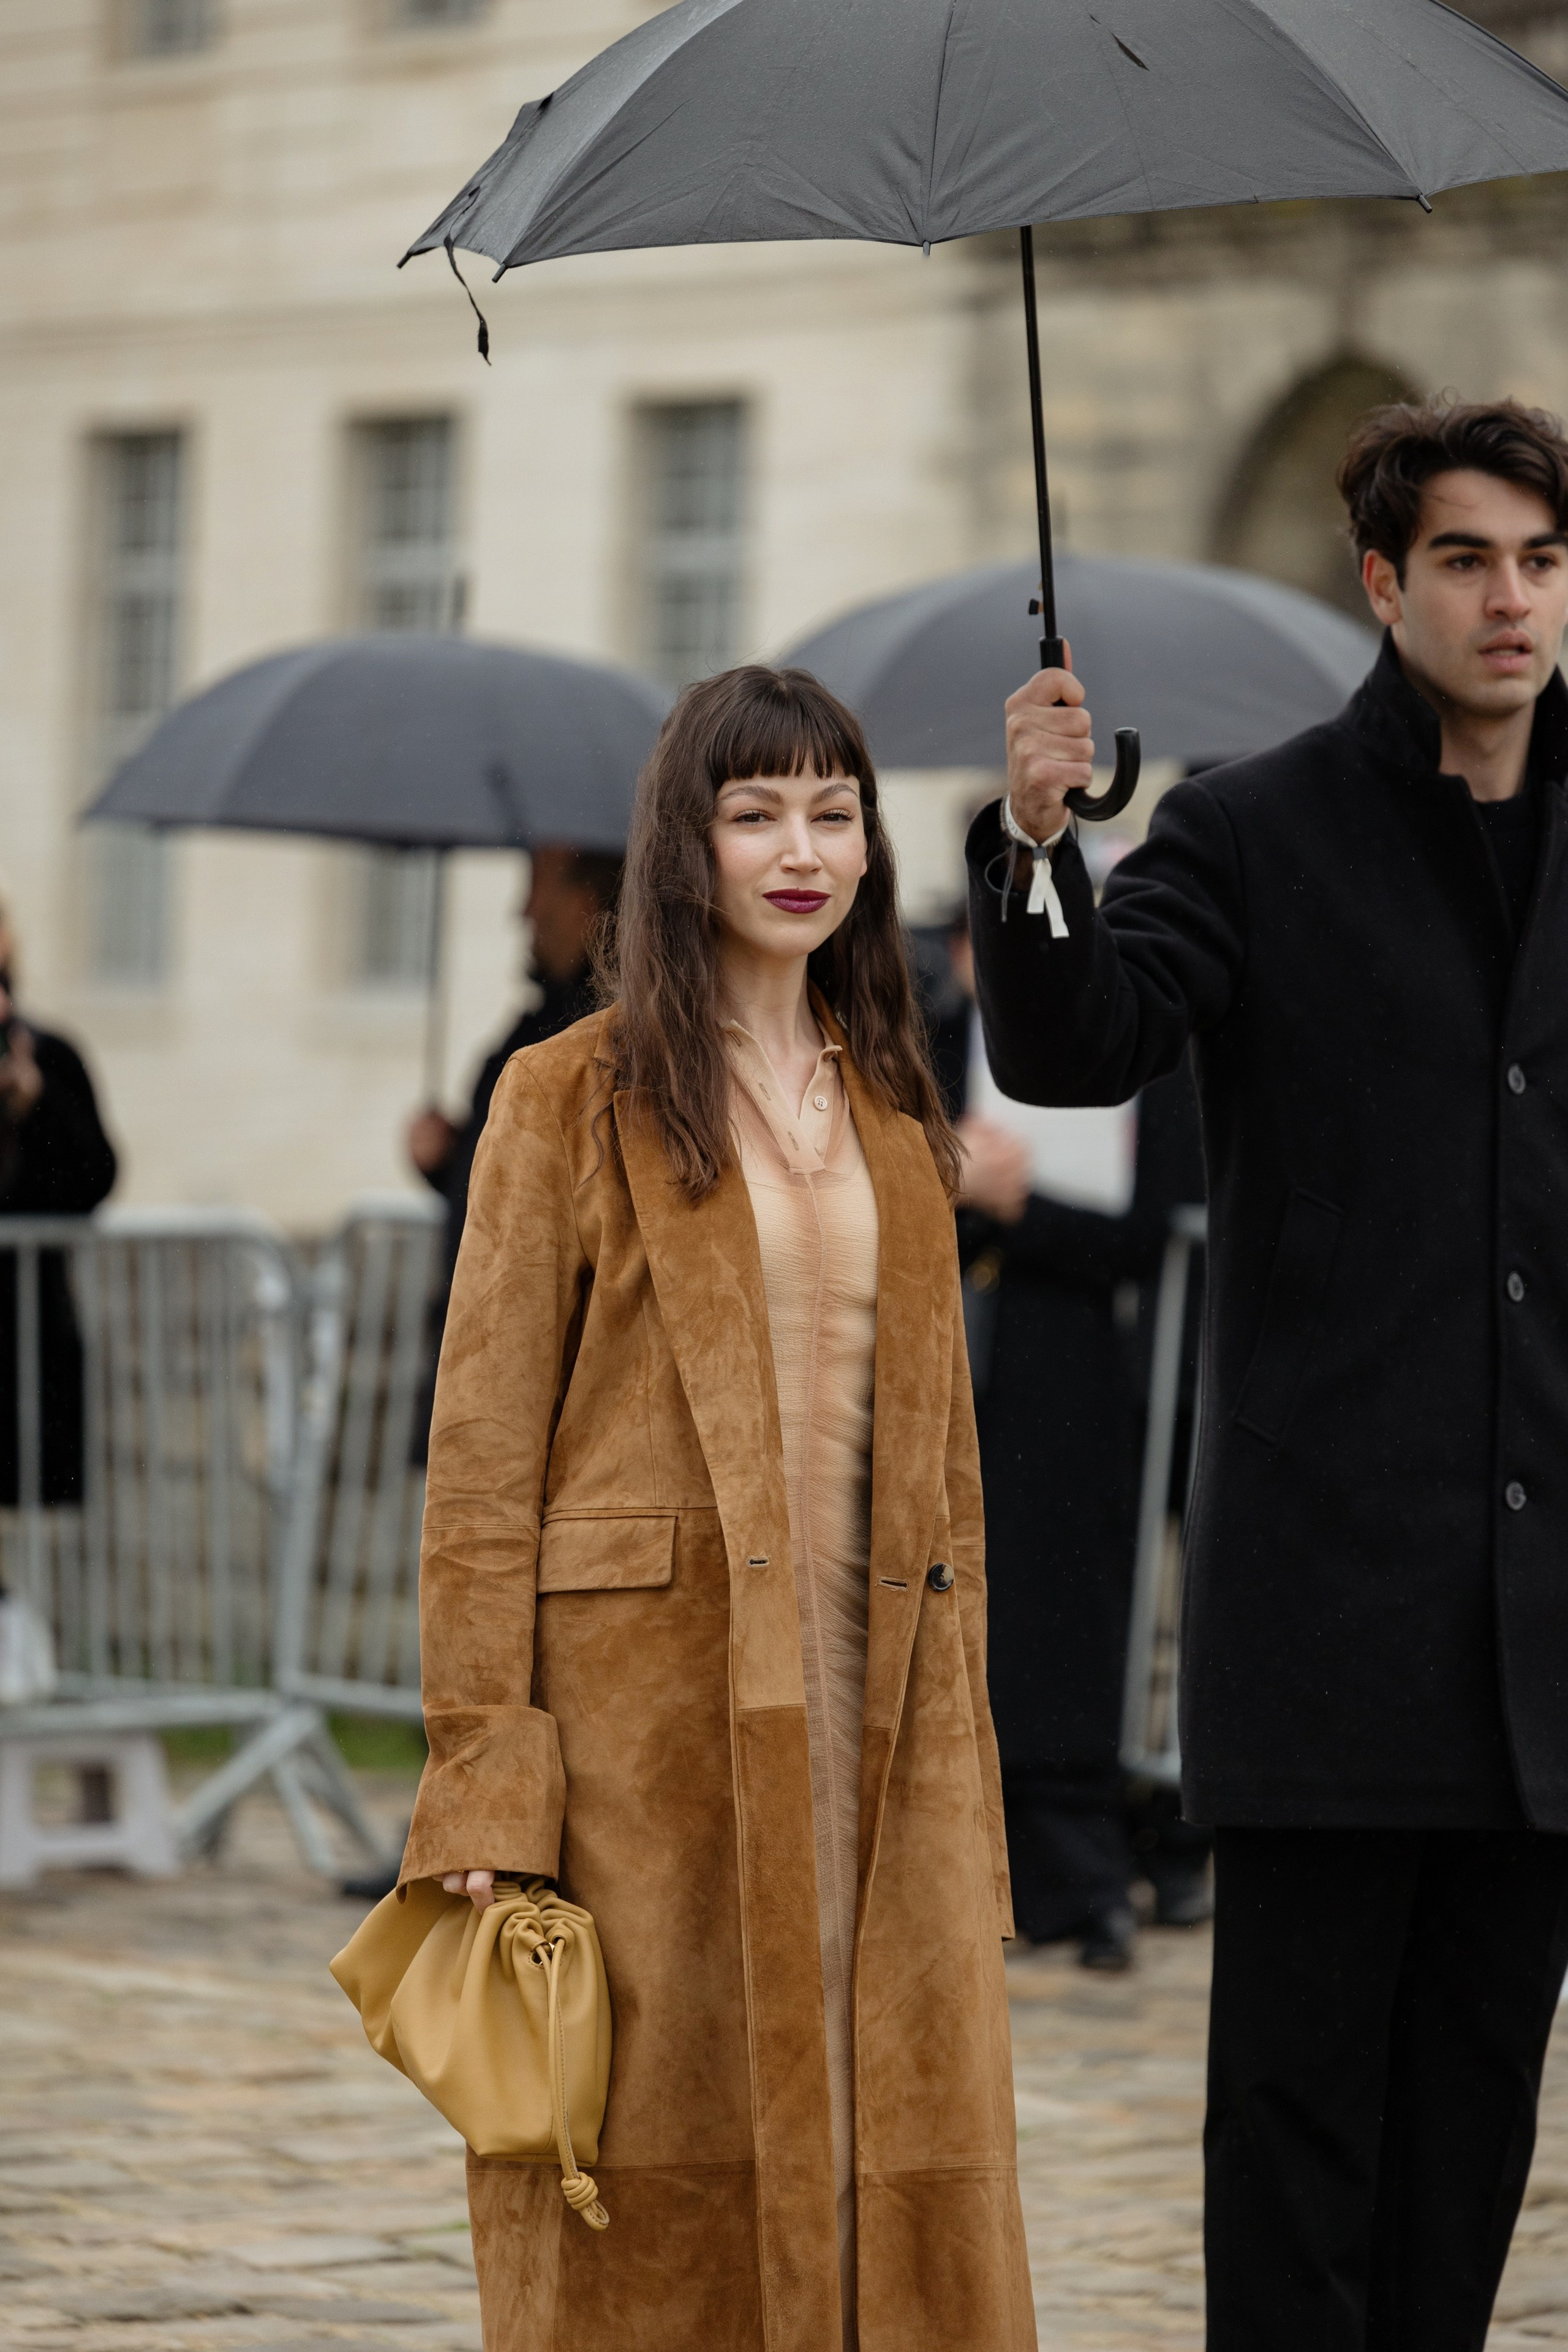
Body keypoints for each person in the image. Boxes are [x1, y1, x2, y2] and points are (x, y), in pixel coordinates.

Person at [967, 395, 1568, 2351]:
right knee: (1294, 2157)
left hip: (1540, 1640)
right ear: (1383, 582)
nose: (1512, 598)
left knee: (1466, 2158)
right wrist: (1040, 843)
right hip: (1324, 1618)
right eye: (1468, 558)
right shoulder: (1245, 822)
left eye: (1543, 561)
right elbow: (1077, 1049)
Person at [399, 668, 1035, 2351]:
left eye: (834, 809)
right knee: (660, 2165)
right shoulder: (568, 1096)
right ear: (686, 846)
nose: (801, 847)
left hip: (876, 1717)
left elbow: (946, 1470)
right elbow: (478, 1463)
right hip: (652, 1731)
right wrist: (484, 1774)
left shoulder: (899, 1111)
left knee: (883, 2142)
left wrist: (972, 1774)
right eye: (756, 812)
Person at [928, 914, 1208, 1969]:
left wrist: (1015, 1204)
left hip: (1071, 1373)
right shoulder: (938, 1032)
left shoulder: (1138, 1055)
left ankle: (1070, 1875)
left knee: (1061, 1614)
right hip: (955, 1352)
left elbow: (1150, 1222)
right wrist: (946, 1176)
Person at [405, 843, 620, 1461]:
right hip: (493, 1355)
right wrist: (445, 1162)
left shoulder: (596, 1035)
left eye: (537, 887)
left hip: (533, 1377)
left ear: (584, 905)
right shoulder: (542, 1023)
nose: (522, 912)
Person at [0, 900, 117, 1507]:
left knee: (36, 1511)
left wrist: (34, 1105)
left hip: (32, 1327)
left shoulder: (51, 1057)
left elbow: (96, 1175)